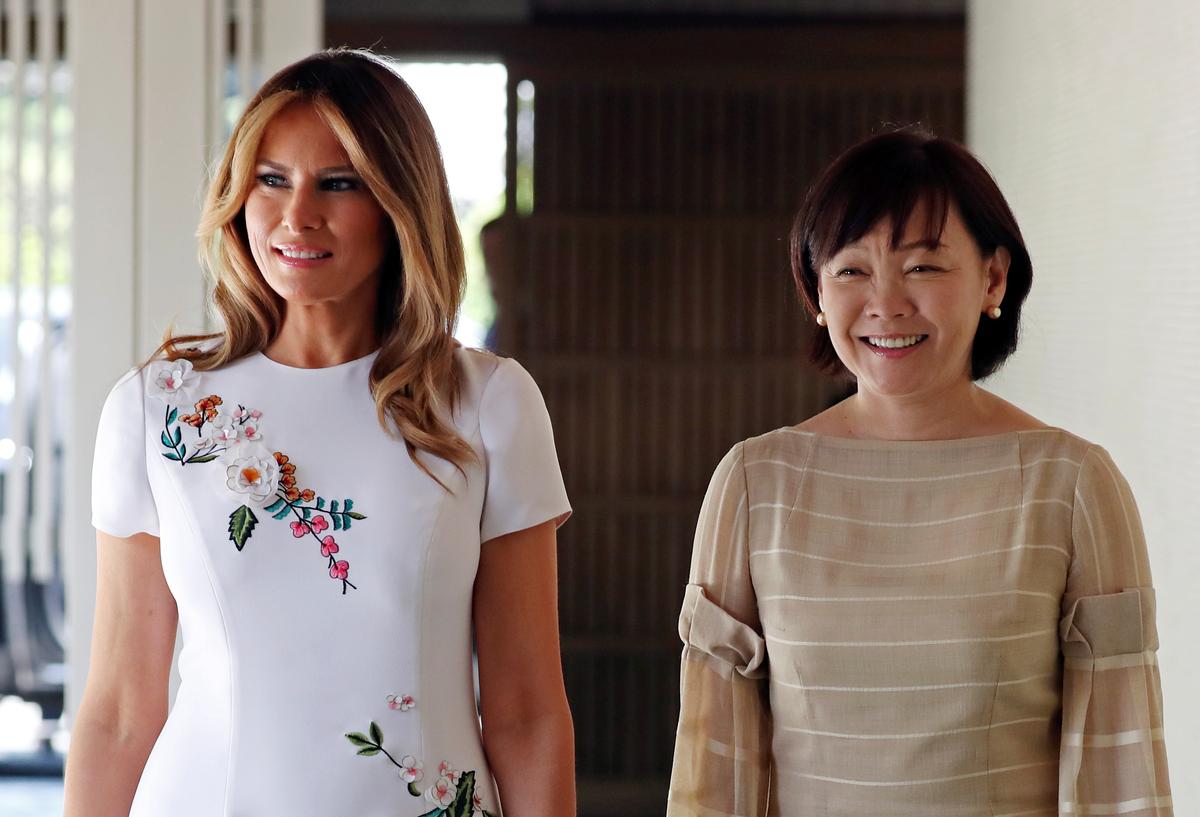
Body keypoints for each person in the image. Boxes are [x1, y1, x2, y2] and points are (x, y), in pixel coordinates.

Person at [64, 49, 575, 817]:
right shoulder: (157, 412)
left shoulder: (486, 403)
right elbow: (119, 713)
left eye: (338, 184)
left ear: (399, 203)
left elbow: (527, 711)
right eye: (271, 179)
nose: (297, 214)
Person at [667, 128, 1171, 816]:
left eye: (924, 267)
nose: (887, 303)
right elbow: (712, 770)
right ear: (815, 288)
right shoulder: (757, 484)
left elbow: (1122, 770)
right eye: (852, 270)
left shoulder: (1074, 484)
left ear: (993, 277)